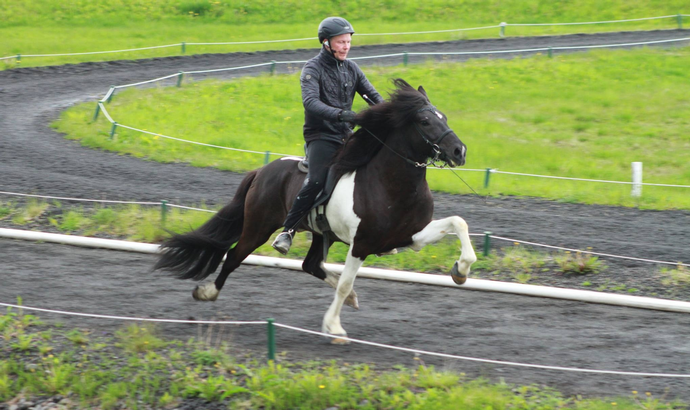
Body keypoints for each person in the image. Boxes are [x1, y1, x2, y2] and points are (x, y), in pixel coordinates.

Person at [271, 16, 384, 255]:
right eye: (341, 42)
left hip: (346, 136)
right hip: (321, 136)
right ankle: (288, 231)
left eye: (348, 42)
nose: (346, 46)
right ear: (326, 43)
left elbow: (374, 97)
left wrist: (391, 114)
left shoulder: (352, 69)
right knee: (315, 181)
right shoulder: (312, 69)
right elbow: (310, 102)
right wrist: (342, 115)